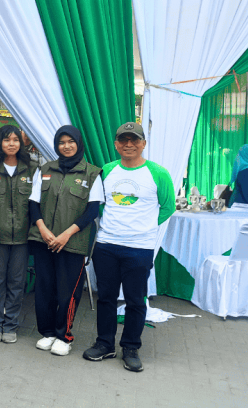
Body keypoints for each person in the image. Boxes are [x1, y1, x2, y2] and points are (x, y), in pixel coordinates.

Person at [83, 122, 175, 372]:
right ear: (116, 144)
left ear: (143, 144)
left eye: (134, 140)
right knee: (106, 298)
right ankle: (105, 344)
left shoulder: (158, 173)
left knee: (136, 301)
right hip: (107, 245)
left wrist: (143, 227)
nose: (129, 144)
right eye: (123, 140)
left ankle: (131, 347)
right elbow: (100, 205)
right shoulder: (108, 170)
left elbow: (168, 207)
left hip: (140, 248)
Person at [28, 125, 103, 357]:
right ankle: (47, 332)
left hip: (72, 242)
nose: (66, 146)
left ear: (78, 144)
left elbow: (93, 210)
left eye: (71, 141)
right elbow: (33, 203)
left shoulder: (92, 173)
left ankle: (64, 336)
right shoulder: (45, 169)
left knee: (67, 292)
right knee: (44, 289)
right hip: (44, 240)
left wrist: (66, 234)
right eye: (62, 142)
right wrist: (43, 229)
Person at [0, 125, 38, 344]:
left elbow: (37, 204)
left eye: (15, 140)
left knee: (17, 282)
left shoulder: (33, 169)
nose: (11, 144)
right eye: (6, 140)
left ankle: (11, 325)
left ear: (22, 143)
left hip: (22, 238)